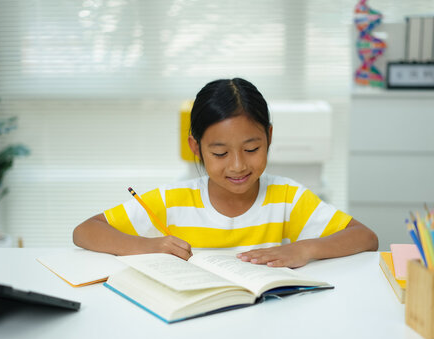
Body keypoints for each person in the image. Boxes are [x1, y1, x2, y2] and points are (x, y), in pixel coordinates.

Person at [73, 78, 378, 268]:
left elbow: (365, 237)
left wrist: (305, 248)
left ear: (269, 137)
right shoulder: (173, 201)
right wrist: (148, 245)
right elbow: (85, 231)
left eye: (252, 149)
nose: (237, 166)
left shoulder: (287, 198)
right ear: (196, 147)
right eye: (220, 153)